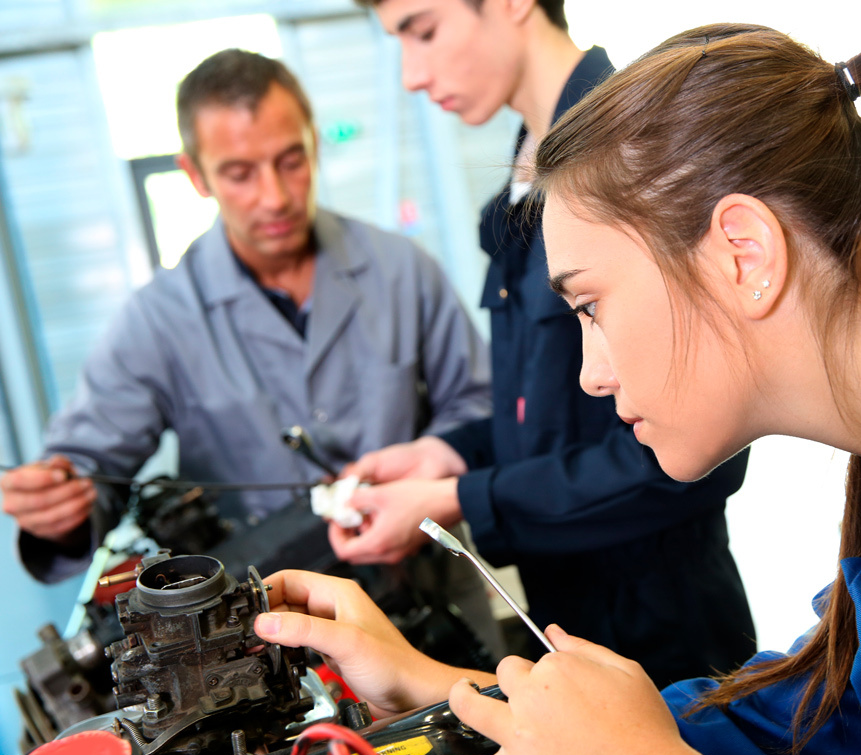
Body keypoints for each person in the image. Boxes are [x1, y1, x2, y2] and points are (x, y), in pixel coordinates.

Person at [252, 22, 861, 755]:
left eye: (589, 307)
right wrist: (445, 695)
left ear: (743, 254)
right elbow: (830, 715)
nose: (587, 372)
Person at [1, 49, 503, 657]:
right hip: (272, 646)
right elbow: (87, 471)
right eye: (240, 173)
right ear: (196, 175)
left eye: (290, 161)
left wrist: (425, 476)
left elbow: (481, 407)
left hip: (437, 611)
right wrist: (58, 508)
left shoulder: (402, 271)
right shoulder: (158, 319)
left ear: (314, 145)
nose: (275, 196)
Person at [332, 0, 756, 686]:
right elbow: (544, 410)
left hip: (667, 637)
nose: (411, 72)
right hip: (568, 624)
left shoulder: (634, 152)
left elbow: (689, 455)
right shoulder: (522, 189)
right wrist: (445, 456)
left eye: (424, 29)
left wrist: (461, 500)